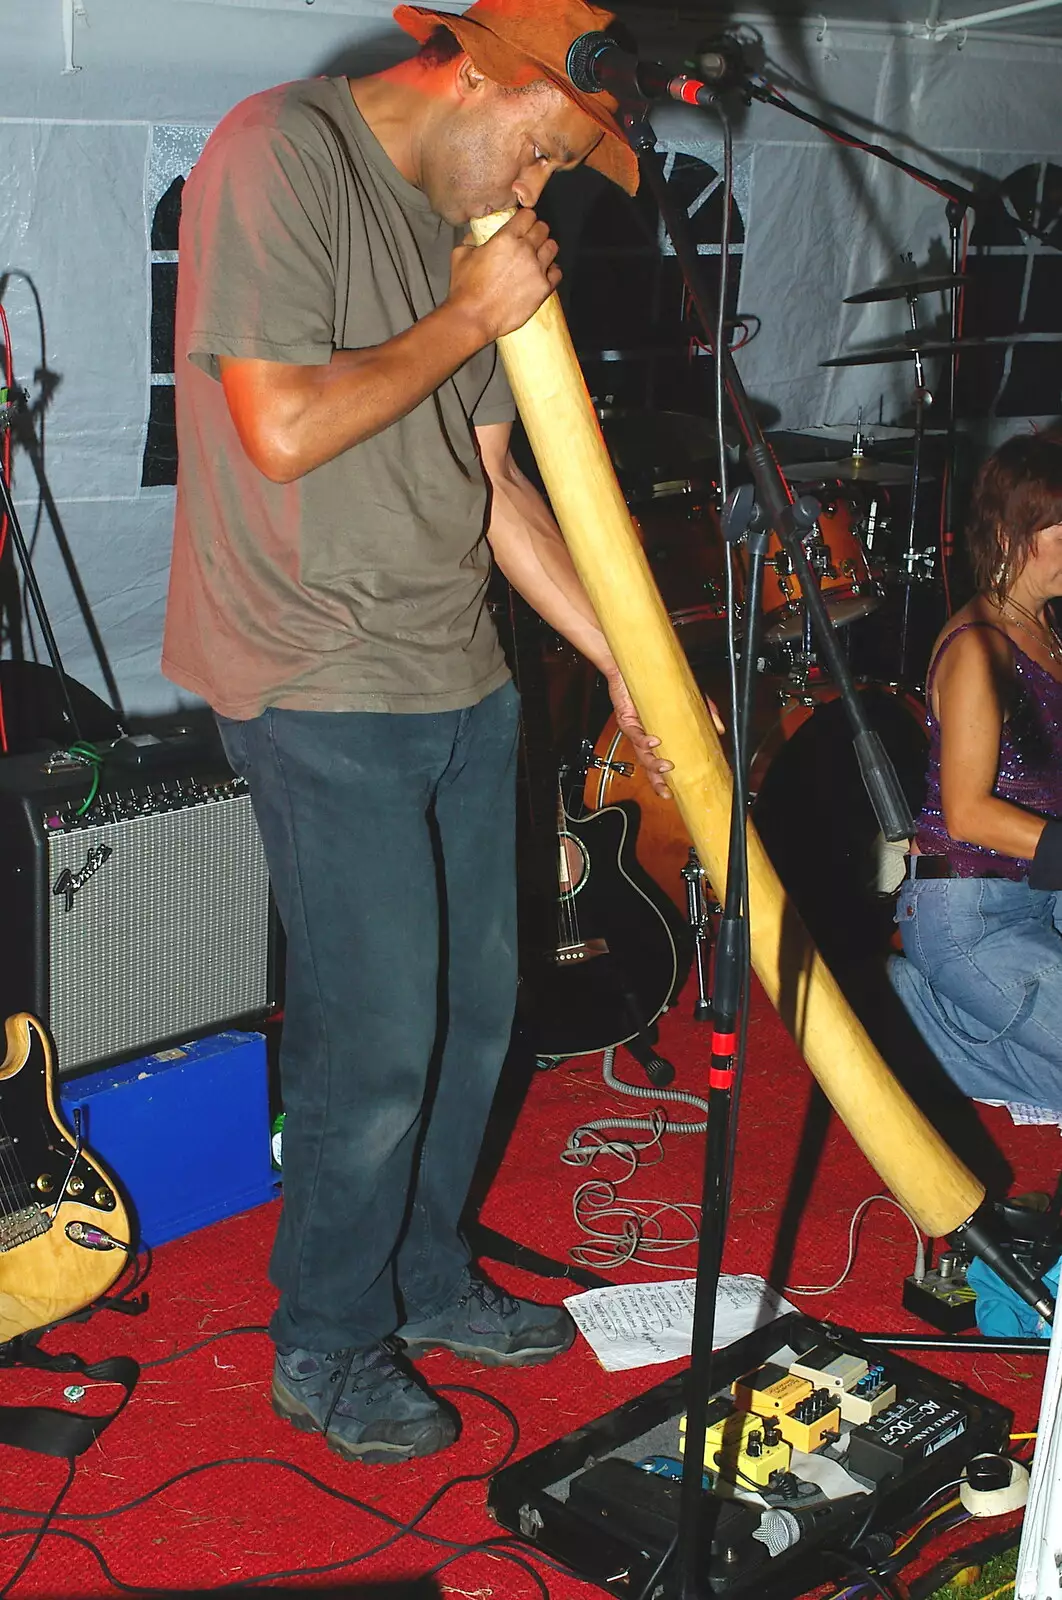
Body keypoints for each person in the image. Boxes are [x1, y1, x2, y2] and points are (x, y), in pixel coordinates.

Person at [162, 0, 679, 1466]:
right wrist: (477, 311)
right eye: (536, 152)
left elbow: (493, 480)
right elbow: (281, 425)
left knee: (480, 1010)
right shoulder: (279, 152)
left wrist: (620, 658)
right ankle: (325, 1340)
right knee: (375, 1035)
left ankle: (427, 1272)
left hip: (456, 667)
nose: (536, 193)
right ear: (475, 74)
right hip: (309, 670)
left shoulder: (472, 242)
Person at [889, 432, 1062, 1114]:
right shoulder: (977, 648)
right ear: (1014, 533)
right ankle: (921, 1007)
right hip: (972, 916)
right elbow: (968, 813)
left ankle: (918, 1019)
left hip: (1042, 896)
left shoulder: (1048, 631)